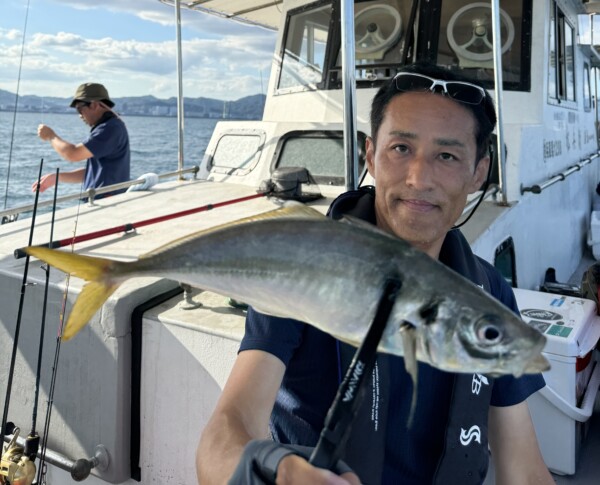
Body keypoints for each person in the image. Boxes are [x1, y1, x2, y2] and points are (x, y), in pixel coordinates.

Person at [197, 63, 554, 485]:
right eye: (401, 148)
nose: (419, 178)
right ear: (370, 154)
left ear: (479, 171)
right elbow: (225, 433)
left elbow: (524, 467)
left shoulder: (488, 292)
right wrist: (275, 472)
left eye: (447, 155)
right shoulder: (308, 266)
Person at [33, 82, 130, 197]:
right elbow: (92, 172)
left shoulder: (109, 129)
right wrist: (57, 177)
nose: (80, 115)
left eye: (80, 109)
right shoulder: (110, 126)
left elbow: (73, 154)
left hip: (106, 202)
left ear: (94, 105)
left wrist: (51, 136)